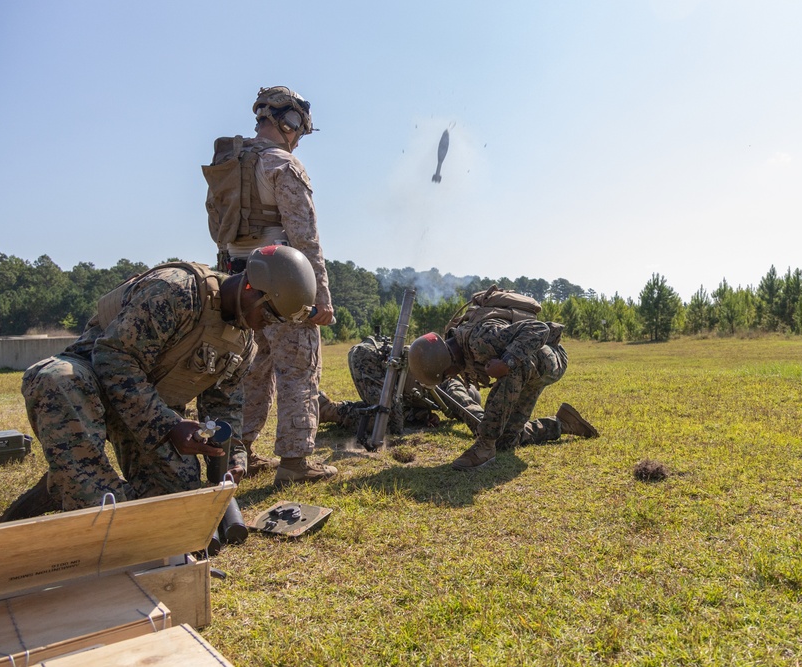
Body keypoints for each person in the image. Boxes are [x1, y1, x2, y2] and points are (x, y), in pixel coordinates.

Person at [1, 246, 317, 521]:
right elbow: (113, 358)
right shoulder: (177, 292)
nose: (268, 325)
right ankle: (88, 491)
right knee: (55, 379)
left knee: (177, 502)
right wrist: (167, 426)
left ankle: (67, 479)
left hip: (149, 407)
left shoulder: (241, 341)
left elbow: (224, 404)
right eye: (272, 315)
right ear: (250, 287)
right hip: (93, 383)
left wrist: (232, 457)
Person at [202, 85, 336, 485]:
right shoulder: (282, 164)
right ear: (290, 122)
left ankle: (240, 451)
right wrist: (321, 299)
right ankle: (295, 463)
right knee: (299, 366)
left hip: (235, 280)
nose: (297, 138)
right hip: (281, 278)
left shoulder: (231, 164)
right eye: (298, 129)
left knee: (250, 368)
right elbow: (305, 237)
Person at [318, 335, 598, 446]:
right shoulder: (448, 382)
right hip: (381, 360)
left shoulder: (448, 385)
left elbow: (403, 403)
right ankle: (560, 424)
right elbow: (399, 412)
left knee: (391, 419)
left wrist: (419, 415)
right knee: (390, 421)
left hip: (389, 364)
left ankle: (330, 410)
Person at [407, 316, 584, 470]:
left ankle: (485, 445)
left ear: (446, 360)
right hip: (528, 368)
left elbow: (539, 328)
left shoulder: (483, 338)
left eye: (447, 374)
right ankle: (562, 423)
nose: (451, 377)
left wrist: (506, 362)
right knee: (505, 440)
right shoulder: (455, 350)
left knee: (512, 368)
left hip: (549, 359)